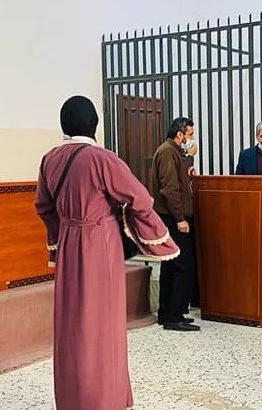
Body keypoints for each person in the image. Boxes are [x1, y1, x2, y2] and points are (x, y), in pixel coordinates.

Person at [35, 95, 180, 410]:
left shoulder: (49, 159)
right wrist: (156, 237)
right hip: (100, 246)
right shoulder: (102, 159)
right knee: (102, 323)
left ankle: (72, 399)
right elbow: (140, 199)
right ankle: (104, 399)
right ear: (94, 123)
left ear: (63, 125)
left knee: (72, 324)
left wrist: (61, 240)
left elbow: (44, 207)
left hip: (69, 246)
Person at [150, 117, 200, 331]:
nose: (192, 138)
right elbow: (170, 188)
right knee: (181, 266)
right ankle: (174, 316)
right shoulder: (168, 152)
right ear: (180, 134)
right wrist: (180, 218)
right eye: (190, 134)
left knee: (172, 265)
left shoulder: (173, 152)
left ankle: (168, 313)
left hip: (173, 217)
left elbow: (177, 180)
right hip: (173, 218)